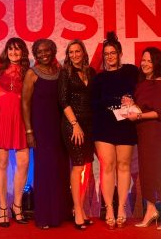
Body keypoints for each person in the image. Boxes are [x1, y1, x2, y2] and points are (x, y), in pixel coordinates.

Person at [122, 47, 161, 230]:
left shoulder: (160, 83)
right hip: (142, 132)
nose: (144, 64)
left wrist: (138, 116)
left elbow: (160, 112)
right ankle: (151, 209)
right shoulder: (142, 83)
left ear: (156, 64)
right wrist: (131, 105)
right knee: (145, 172)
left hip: (154, 132)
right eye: (143, 60)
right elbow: (142, 108)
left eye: (149, 61)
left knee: (157, 172)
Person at [22, 38, 71, 229]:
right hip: (41, 129)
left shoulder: (59, 72)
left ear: (52, 51)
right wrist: (29, 131)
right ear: (35, 54)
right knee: (44, 171)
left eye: (47, 50)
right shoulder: (31, 74)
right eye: (40, 51)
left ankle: (60, 213)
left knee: (60, 170)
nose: (44, 54)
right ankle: (44, 217)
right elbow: (25, 104)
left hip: (59, 128)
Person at [91, 32, 138, 229]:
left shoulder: (131, 72)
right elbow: (94, 103)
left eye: (112, 53)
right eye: (106, 54)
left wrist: (132, 100)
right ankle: (109, 207)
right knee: (107, 166)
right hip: (103, 126)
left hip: (125, 125)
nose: (109, 56)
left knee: (124, 166)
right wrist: (118, 100)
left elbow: (141, 92)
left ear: (119, 53)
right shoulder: (99, 78)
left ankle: (122, 208)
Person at [0, 37, 30, 227]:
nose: (14, 53)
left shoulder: (29, 70)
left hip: (20, 119)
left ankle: (17, 205)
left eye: (17, 49)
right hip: (0, 119)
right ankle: (3, 206)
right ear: (6, 51)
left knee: (24, 162)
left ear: (23, 52)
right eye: (11, 49)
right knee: (1, 164)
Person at [58, 39, 96, 230]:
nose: (74, 55)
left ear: (83, 53)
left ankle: (78, 207)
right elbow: (63, 101)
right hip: (73, 125)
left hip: (90, 125)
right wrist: (75, 125)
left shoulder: (91, 72)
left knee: (88, 166)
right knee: (78, 165)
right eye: (71, 52)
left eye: (77, 51)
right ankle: (78, 211)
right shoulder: (65, 73)